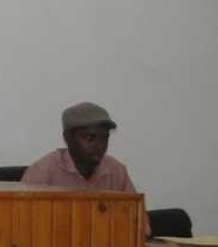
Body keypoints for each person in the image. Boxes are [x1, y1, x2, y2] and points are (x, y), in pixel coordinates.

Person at [22, 101, 151, 236]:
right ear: (67, 137)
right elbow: (25, 228)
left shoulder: (116, 171)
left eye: (104, 138)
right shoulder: (42, 173)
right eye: (90, 138)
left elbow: (141, 226)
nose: (99, 145)